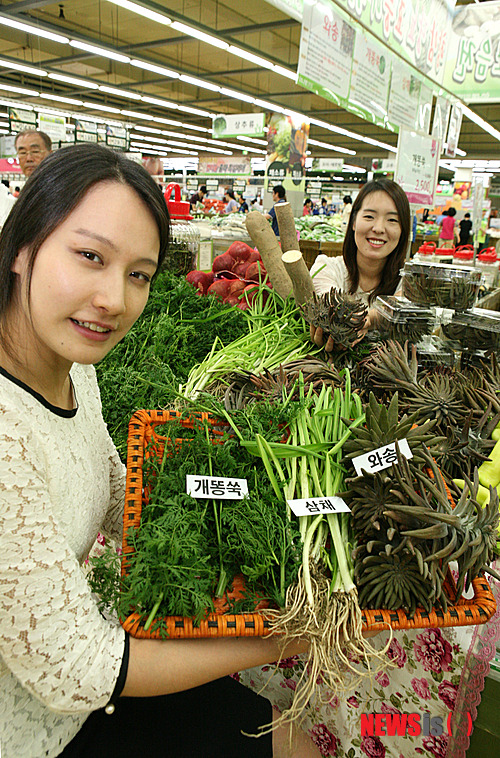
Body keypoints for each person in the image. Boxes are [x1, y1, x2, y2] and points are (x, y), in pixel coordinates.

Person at [0, 143, 321, 758]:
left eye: (138, 274)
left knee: (288, 735)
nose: (114, 299)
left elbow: (124, 496)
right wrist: (283, 639)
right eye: (90, 256)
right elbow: (78, 669)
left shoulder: (73, 368)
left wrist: (241, 496)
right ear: (23, 247)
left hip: (85, 686)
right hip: (38, 727)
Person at [310, 178, 410, 351]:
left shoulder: (409, 280)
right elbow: (327, 302)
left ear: (403, 230)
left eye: (392, 220)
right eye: (369, 216)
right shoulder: (326, 267)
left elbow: (403, 304)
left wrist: (370, 319)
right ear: (354, 222)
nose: (379, 228)